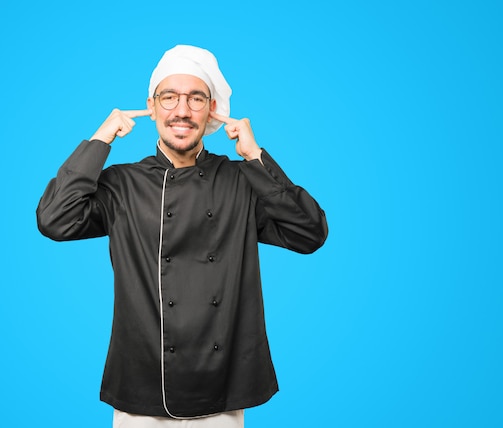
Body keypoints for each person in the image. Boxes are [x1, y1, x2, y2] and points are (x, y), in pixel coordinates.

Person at [36, 45, 328, 428]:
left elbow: (309, 233)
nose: (182, 110)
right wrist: (100, 139)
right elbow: (55, 220)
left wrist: (255, 156)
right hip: (143, 381)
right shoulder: (122, 184)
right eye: (169, 97)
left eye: (195, 98)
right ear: (152, 107)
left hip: (221, 387)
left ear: (211, 110)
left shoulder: (241, 180)